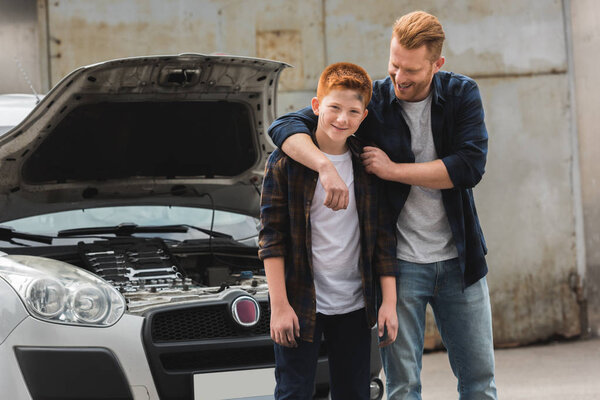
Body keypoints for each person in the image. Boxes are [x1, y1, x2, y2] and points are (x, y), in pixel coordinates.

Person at [267, 10, 498, 400]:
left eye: (410, 70)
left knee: (478, 381)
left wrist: (393, 170)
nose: (399, 78)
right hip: (402, 263)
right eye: (393, 65)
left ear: (437, 64)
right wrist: (324, 166)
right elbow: (285, 126)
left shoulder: (460, 95)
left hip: (461, 261)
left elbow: (469, 167)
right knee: (402, 385)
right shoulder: (373, 103)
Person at [258, 62, 398, 400]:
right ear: (317, 106)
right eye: (334, 107)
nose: (342, 118)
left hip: (353, 304)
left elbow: (382, 238)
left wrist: (388, 302)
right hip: (301, 301)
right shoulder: (285, 163)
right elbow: (271, 237)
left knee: (354, 393)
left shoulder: (366, 168)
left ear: (363, 116)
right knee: (294, 392)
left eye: (352, 111)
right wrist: (279, 306)